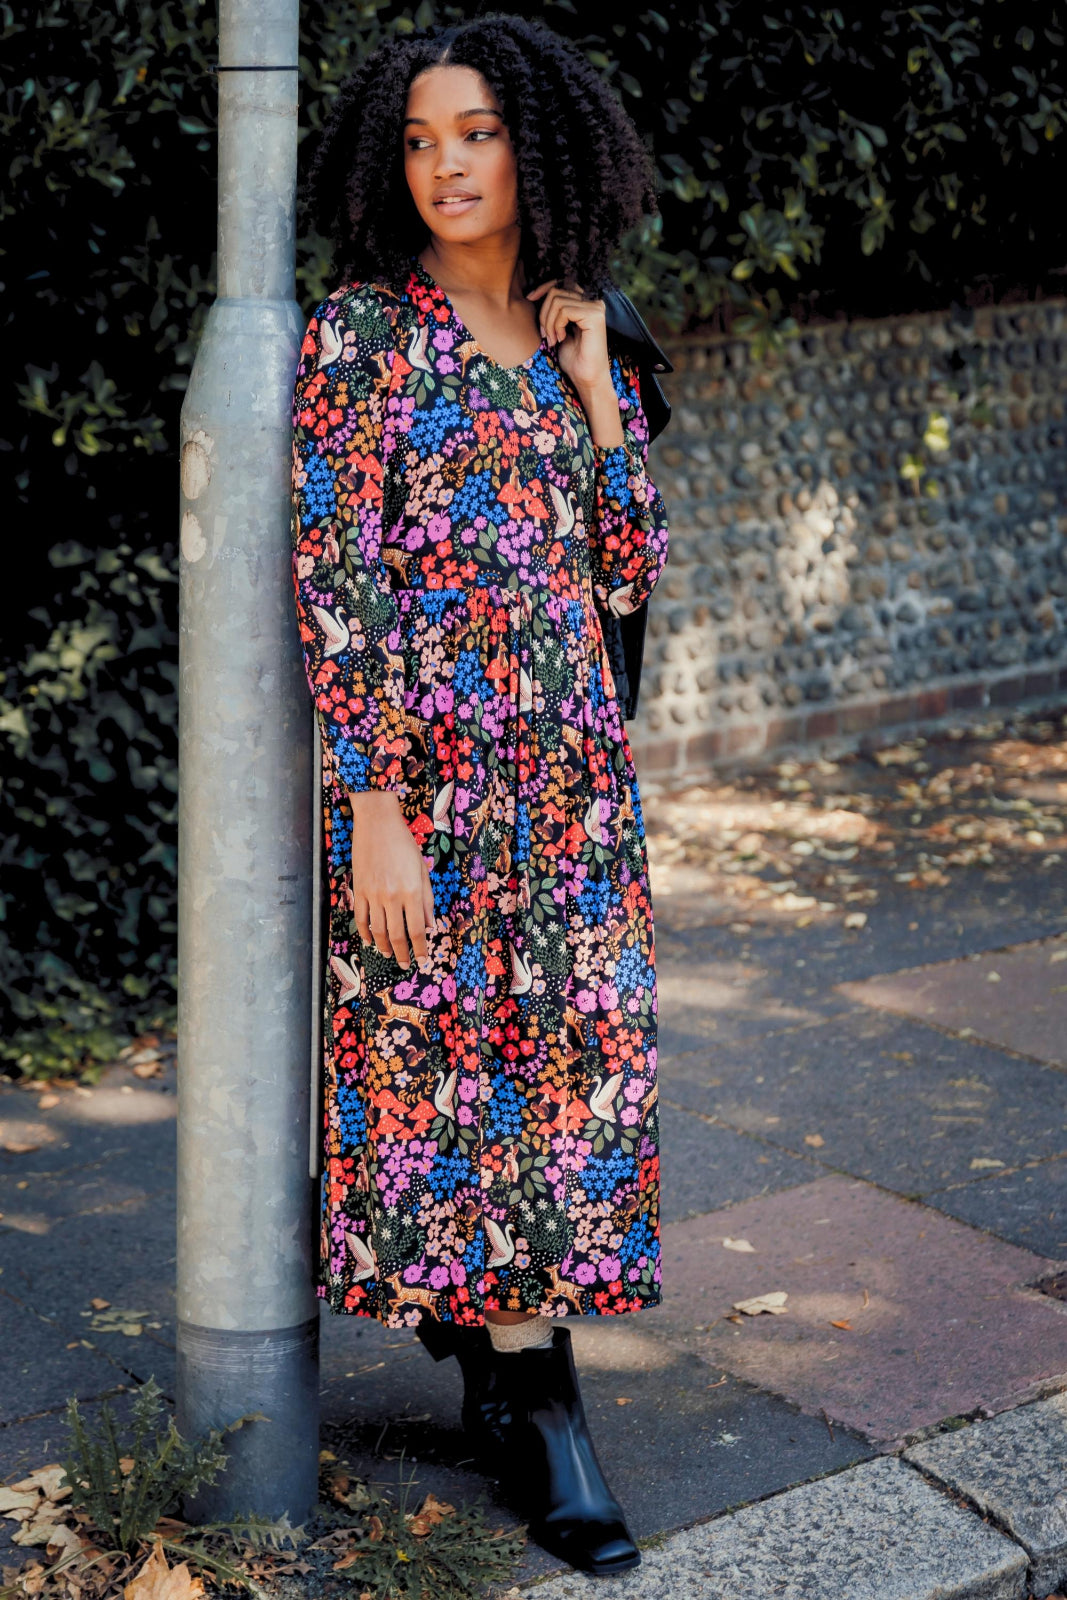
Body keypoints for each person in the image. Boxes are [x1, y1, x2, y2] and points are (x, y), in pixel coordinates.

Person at [290, 13, 670, 1577]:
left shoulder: (592, 329)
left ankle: (518, 1366)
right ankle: (540, 1401)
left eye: (478, 133)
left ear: (539, 148)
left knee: (568, 1080)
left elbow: (628, 569)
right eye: (421, 139)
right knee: (452, 1072)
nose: (448, 163)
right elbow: (337, 570)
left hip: (574, 784)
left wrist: (593, 388)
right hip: (428, 794)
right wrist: (375, 801)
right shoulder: (361, 338)